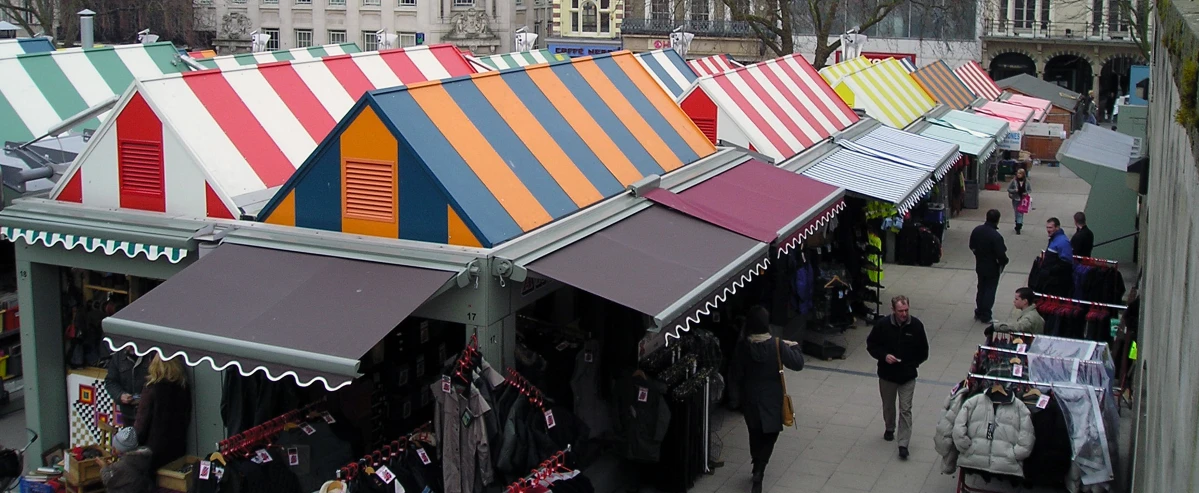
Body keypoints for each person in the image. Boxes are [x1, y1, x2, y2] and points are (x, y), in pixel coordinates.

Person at [728, 305, 804, 493]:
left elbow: (735, 374)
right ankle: (760, 468)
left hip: (750, 398)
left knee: (754, 433)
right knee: (770, 434)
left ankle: (756, 464)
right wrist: (795, 346)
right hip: (772, 399)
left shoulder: (743, 347)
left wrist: (734, 398)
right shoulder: (776, 345)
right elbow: (797, 364)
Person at [866, 296, 928, 460]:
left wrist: (912, 363)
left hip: (907, 376)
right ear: (893, 310)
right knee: (888, 405)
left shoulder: (916, 326)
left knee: (906, 409)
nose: (904, 314)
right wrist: (884, 356)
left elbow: (924, 351)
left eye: (906, 310)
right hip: (887, 375)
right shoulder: (883, 325)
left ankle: (903, 443)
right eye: (900, 311)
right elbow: (871, 345)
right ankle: (889, 427)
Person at [134, 355, 192, 470]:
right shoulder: (183, 387)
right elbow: (186, 416)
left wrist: (134, 442)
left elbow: (142, 422)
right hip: (177, 445)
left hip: (153, 449)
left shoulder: (151, 389)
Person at [970, 209, 1009, 323]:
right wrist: (1004, 262)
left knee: (981, 288)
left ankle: (979, 310)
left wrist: (977, 253)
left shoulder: (977, 230)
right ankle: (986, 314)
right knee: (990, 290)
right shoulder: (996, 236)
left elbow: (971, 245)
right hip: (992, 267)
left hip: (980, 264)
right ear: (997, 220)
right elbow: (1001, 254)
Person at [100, 427, 155, 493]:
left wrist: (104, 467)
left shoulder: (123, 464)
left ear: (122, 450)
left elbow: (108, 480)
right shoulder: (143, 457)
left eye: (116, 448)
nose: (113, 450)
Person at [105, 348, 149, 427]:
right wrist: (120, 395)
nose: (130, 347)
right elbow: (111, 381)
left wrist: (146, 399)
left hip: (149, 414)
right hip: (128, 414)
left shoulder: (151, 355)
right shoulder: (118, 356)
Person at [1007, 169, 1031, 234]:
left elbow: (1029, 190)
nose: (1018, 175)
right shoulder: (1014, 181)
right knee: (1016, 212)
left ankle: (1019, 225)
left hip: (1023, 200)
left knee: (1020, 213)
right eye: (1017, 173)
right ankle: (1017, 222)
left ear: (1023, 174)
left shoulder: (1026, 182)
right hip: (1015, 199)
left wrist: (1026, 193)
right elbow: (1008, 189)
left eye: (1020, 173)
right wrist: (1015, 190)